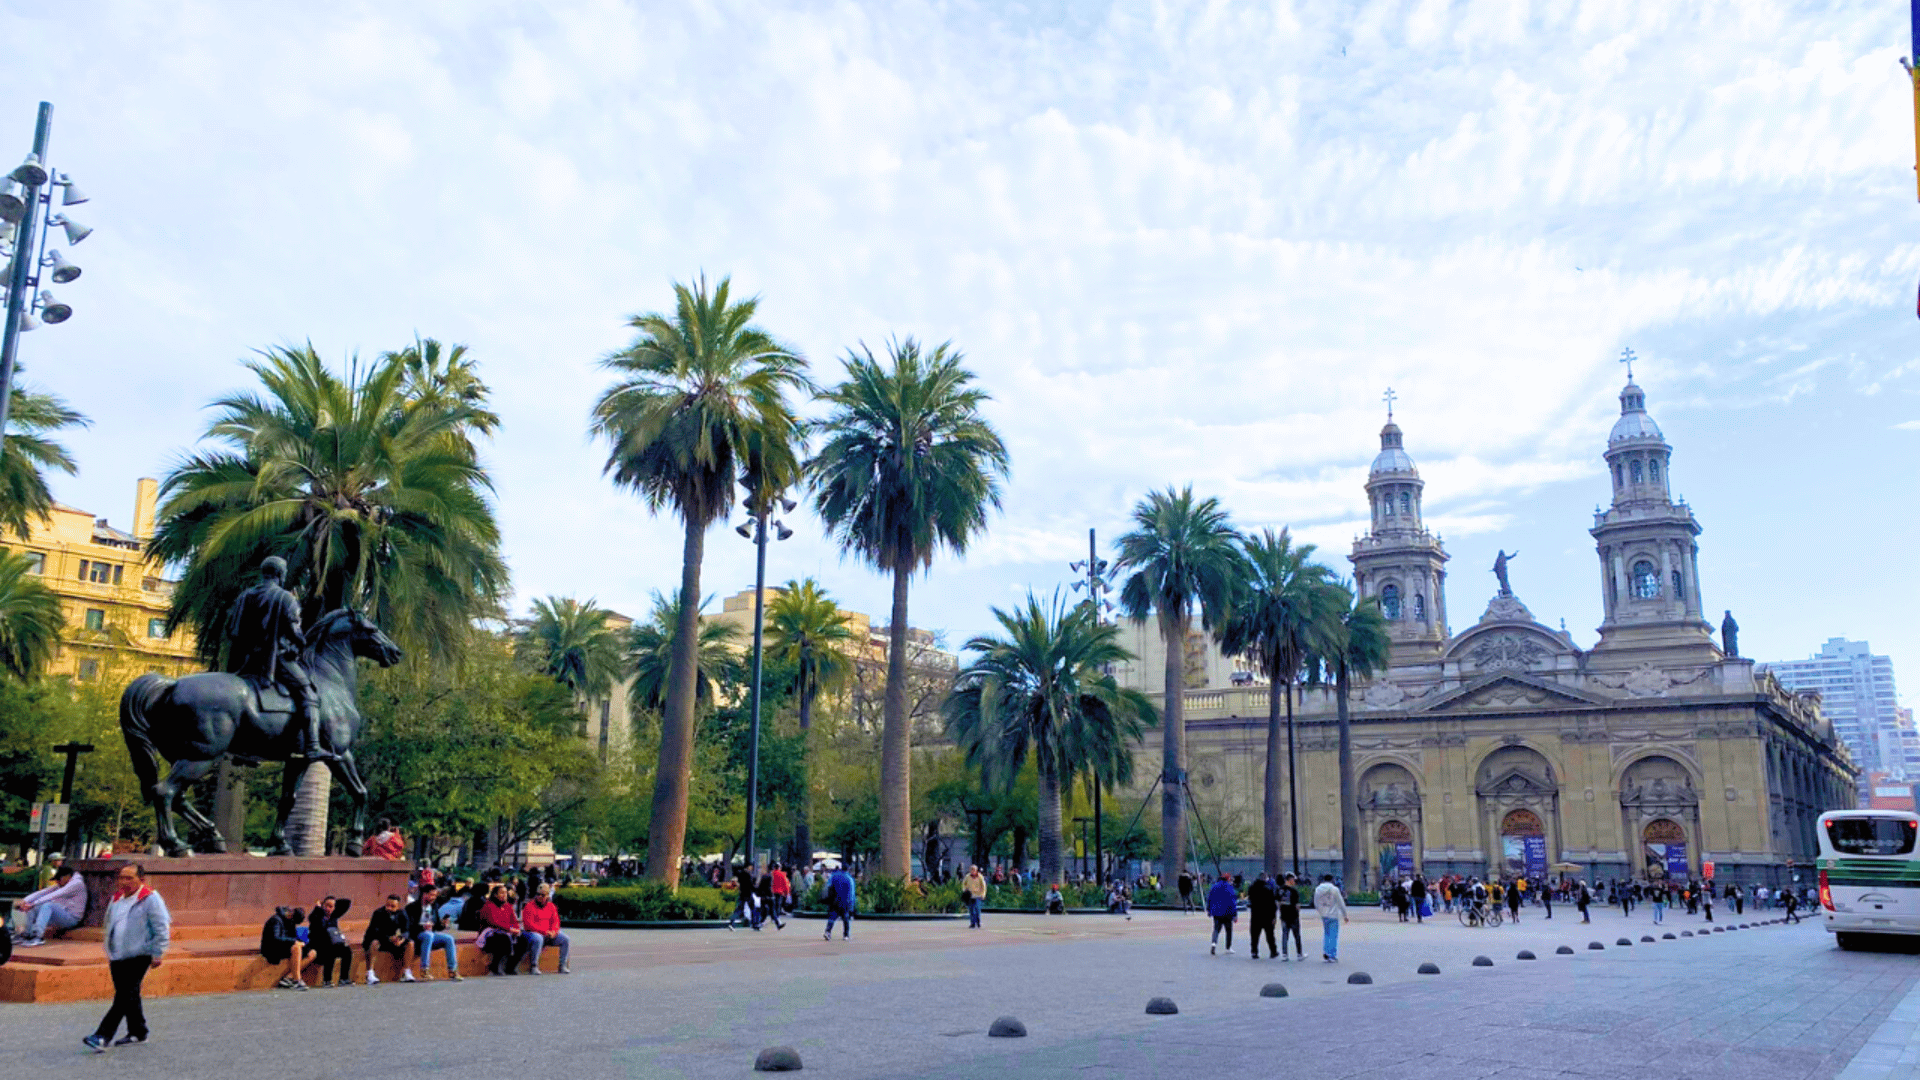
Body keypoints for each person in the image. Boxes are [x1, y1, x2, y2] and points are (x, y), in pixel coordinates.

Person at [226, 555, 329, 761]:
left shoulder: (244, 596)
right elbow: (293, 631)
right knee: (308, 694)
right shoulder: (285, 598)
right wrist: (300, 643)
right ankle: (313, 746)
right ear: (281, 575)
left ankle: (246, 749)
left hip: (246, 661)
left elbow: (231, 629)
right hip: (275, 660)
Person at [84, 863, 170, 1052]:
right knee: (129, 995)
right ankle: (138, 1031)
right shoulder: (117, 898)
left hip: (140, 954)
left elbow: (161, 926)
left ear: (141, 880)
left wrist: (158, 952)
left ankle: (102, 1036)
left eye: (129, 878)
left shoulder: (150, 899)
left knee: (123, 997)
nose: (124, 881)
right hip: (118, 954)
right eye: (122, 877)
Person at [16, 864, 85, 946]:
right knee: (33, 907)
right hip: (61, 916)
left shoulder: (77, 884)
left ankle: (38, 937)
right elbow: (43, 892)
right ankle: (26, 935)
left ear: (67, 876)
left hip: (72, 919)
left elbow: (54, 895)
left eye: (59, 879)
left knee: (48, 905)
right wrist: (24, 901)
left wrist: (34, 903)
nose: (57, 882)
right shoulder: (64, 883)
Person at [360, 893, 417, 985]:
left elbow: (406, 930)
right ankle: (370, 973)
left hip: (395, 941)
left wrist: (401, 939)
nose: (389, 908)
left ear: (398, 906)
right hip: (381, 940)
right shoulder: (378, 913)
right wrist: (389, 938)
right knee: (374, 943)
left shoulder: (402, 913)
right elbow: (375, 931)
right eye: (388, 905)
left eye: (392, 906)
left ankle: (406, 972)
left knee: (410, 943)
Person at [407, 886, 460, 981]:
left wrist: (443, 924)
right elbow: (409, 926)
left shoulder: (434, 906)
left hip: (430, 934)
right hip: (417, 934)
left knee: (449, 938)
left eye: (435, 895)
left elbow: (437, 926)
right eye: (431, 895)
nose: (434, 897)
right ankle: (424, 969)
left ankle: (452, 970)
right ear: (424, 894)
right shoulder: (412, 907)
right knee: (428, 935)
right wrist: (422, 927)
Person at [477, 882, 526, 975]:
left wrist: (516, 930)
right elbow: (493, 922)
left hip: (507, 931)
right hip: (491, 934)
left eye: (506, 893)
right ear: (495, 895)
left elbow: (514, 921)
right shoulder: (488, 906)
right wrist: (510, 930)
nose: (504, 895)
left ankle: (511, 967)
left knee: (523, 939)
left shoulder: (508, 906)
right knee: (503, 939)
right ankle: (495, 966)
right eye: (502, 893)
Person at [520, 883, 570, 974]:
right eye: (538, 894)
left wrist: (554, 932)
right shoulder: (529, 906)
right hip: (533, 933)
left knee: (565, 939)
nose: (539, 896)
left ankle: (562, 965)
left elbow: (556, 922)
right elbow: (528, 925)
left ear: (547, 895)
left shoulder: (551, 906)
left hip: (549, 934)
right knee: (538, 938)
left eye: (542, 895)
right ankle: (533, 966)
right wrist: (544, 932)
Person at [307, 896, 355, 987]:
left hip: (331, 945)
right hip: (318, 947)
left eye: (331, 906)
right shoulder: (317, 915)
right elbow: (312, 919)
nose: (328, 908)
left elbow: (347, 902)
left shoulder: (334, 917)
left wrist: (335, 901)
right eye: (326, 905)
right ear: (322, 905)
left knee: (347, 950)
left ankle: (344, 979)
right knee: (330, 951)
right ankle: (327, 981)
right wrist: (318, 908)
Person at [259, 905, 309, 990]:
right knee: (296, 948)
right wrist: (294, 942)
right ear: (291, 915)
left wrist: (302, 942)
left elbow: (293, 936)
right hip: (271, 949)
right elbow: (275, 938)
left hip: (282, 947)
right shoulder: (276, 920)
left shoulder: (290, 921)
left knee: (312, 952)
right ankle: (297, 980)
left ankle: (289, 978)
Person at [1313, 874, 1348, 963]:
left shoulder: (1318, 889)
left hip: (1324, 914)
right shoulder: (1334, 889)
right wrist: (1345, 915)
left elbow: (1316, 902)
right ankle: (1332, 954)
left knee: (1327, 933)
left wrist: (1320, 911)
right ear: (1332, 880)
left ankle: (1326, 952)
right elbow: (1340, 902)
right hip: (1333, 914)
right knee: (1333, 935)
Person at [1247, 872, 1278, 959]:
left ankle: (1254, 952)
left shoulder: (1252, 888)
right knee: (1270, 935)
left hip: (1256, 915)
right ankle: (1273, 951)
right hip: (1267, 915)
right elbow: (1272, 904)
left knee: (1254, 935)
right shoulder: (1268, 889)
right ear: (1265, 879)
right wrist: (1274, 916)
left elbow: (1250, 900)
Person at [1205, 873, 1238, 956]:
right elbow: (1233, 902)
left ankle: (1214, 943)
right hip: (1227, 912)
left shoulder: (1214, 887)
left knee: (1216, 929)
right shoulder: (1230, 888)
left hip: (1217, 912)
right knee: (1228, 930)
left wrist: (1209, 910)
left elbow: (1210, 898)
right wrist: (1235, 914)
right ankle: (1228, 947)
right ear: (1228, 879)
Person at [1276, 873, 1305, 960]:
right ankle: (1299, 954)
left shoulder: (1280, 890)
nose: (1294, 881)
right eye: (1293, 879)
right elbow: (1297, 905)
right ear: (1290, 879)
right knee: (1297, 935)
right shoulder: (1294, 891)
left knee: (1285, 935)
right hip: (1293, 915)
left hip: (1284, 915)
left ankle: (1285, 954)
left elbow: (1277, 903)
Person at [823, 866, 856, 941]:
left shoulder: (834, 876)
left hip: (835, 900)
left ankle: (828, 932)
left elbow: (828, 886)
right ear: (848, 869)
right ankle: (846, 935)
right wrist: (852, 905)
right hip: (845, 901)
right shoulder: (849, 878)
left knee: (832, 916)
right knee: (845, 917)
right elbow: (852, 893)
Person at [727, 863, 758, 931]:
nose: (752, 868)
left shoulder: (740, 874)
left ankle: (731, 922)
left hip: (742, 893)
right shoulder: (748, 874)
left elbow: (740, 883)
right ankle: (755, 924)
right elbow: (750, 884)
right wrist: (756, 890)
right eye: (751, 867)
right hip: (748, 894)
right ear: (748, 866)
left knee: (739, 909)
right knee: (753, 908)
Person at [754, 866, 784, 930]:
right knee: (772, 910)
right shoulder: (769, 877)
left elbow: (760, 887)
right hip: (769, 896)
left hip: (763, 896)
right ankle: (777, 924)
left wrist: (759, 894)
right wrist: (771, 895)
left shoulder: (763, 876)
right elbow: (769, 887)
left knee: (764, 911)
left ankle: (758, 923)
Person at [962, 865, 987, 929]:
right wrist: (965, 890)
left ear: (976, 870)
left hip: (978, 895)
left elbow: (983, 886)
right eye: (971, 870)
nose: (972, 871)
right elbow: (964, 884)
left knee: (977, 909)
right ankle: (972, 923)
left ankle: (978, 922)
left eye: (974, 870)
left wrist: (983, 894)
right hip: (970, 895)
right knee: (971, 910)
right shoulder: (968, 876)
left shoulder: (980, 877)